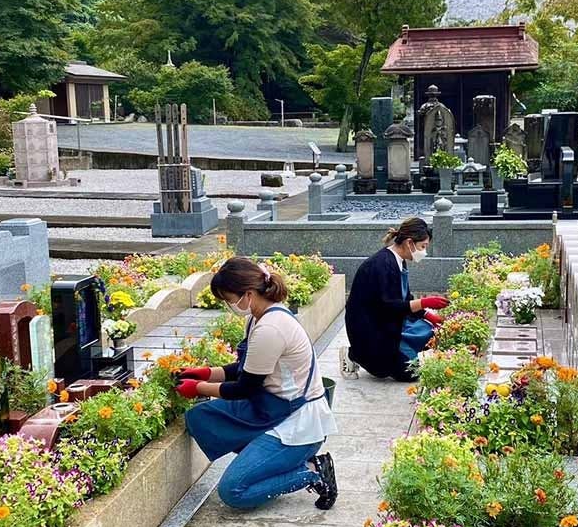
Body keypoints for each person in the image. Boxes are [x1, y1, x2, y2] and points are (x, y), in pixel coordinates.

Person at [174, 257, 339, 510]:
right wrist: (205, 373)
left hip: (297, 422)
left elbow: (244, 387)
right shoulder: (258, 316)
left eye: (229, 299)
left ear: (248, 294)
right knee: (201, 418)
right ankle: (266, 460)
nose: (230, 305)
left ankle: (312, 470)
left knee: (233, 491)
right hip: (270, 406)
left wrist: (196, 388)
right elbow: (245, 369)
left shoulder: (271, 327)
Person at [345, 217, 450, 381]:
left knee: (430, 331)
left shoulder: (398, 261)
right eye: (423, 246)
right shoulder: (381, 265)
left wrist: (427, 315)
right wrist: (425, 302)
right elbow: (389, 307)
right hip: (371, 331)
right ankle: (353, 354)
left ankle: (401, 347)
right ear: (410, 243)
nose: (424, 252)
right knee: (410, 372)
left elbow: (405, 298)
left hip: (388, 324)